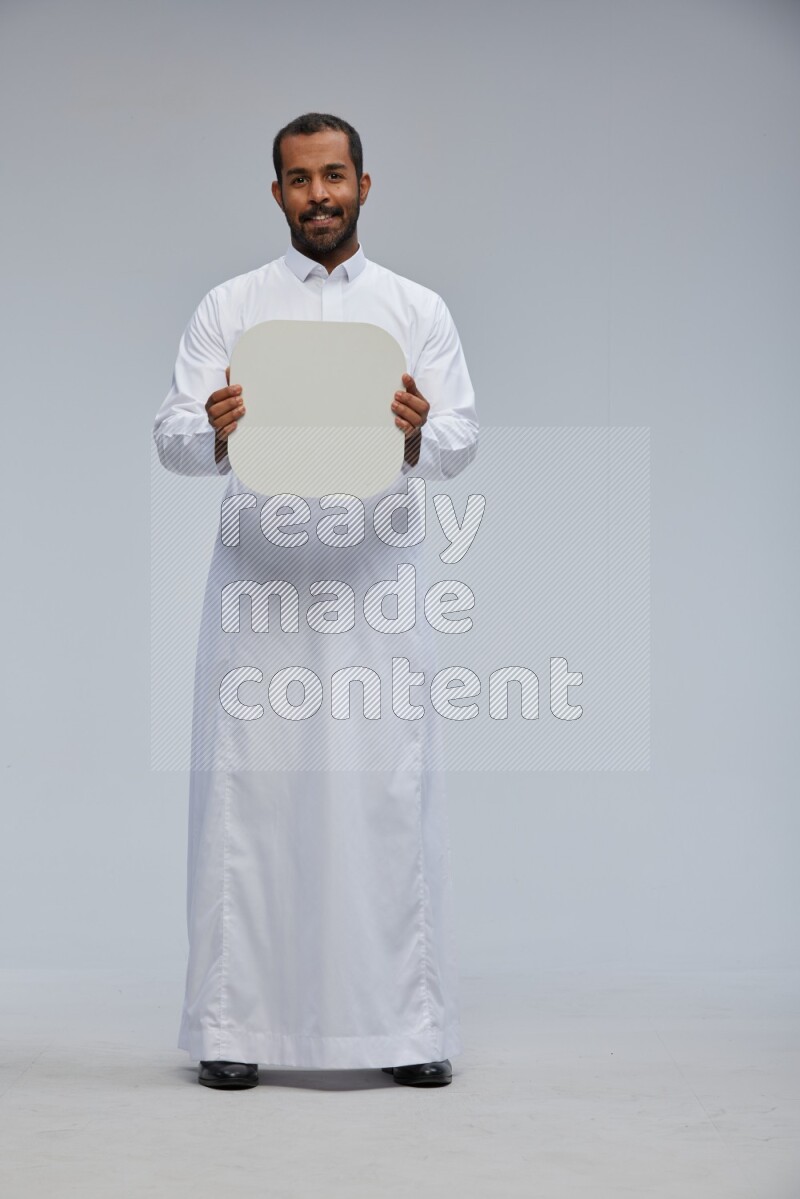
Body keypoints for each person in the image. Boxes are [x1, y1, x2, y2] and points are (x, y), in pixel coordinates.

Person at [152, 112, 479, 1090]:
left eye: (334, 176)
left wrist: (421, 432)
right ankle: (231, 1021)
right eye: (299, 180)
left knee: (384, 791)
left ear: (365, 185)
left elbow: (462, 440)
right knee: (249, 797)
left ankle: (404, 1024)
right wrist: (211, 428)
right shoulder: (231, 307)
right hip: (260, 587)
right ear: (276, 193)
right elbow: (169, 439)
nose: (319, 195)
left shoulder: (415, 308)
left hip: (373, 585)